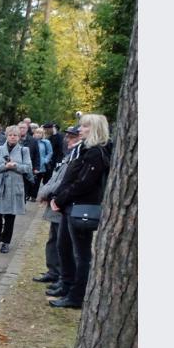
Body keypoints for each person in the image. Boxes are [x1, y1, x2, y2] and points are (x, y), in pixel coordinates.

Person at [49, 114, 112, 309]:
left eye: (84, 126)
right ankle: (67, 284)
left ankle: (76, 296)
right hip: (71, 205)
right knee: (64, 246)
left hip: (81, 207)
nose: (80, 129)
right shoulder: (86, 150)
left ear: (94, 129)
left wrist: (60, 199)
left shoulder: (96, 153)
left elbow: (84, 183)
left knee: (81, 254)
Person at [35, 126, 81, 292]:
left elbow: (62, 182)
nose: (68, 140)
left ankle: (62, 276)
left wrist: (44, 193)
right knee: (53, 239)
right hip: (56, 203)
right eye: (67, 137)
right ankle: (54, 271)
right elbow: (55, 177)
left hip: (61, 203)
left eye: (72, 137)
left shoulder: (76, 157)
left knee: (63, 243)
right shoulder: (69, 155)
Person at [0, 126, 32, 253]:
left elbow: (28, 168)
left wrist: (15, 166)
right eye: (10, 135)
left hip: (14, 187)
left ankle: (6, 242)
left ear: (19, 137)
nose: (13, 137)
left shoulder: (24, 150)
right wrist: (4, 166)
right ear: (6, 136)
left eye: (15, 135)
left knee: (10, 216)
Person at [32, 127, 53, 195]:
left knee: (37, 180)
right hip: (32, 163)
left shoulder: (46, 142)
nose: (38, 134)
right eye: (37, 133)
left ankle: (34, 195)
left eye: (40, 133)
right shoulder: (31, 141)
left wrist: (45, 160)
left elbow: (50, 152)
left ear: (42, 134)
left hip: (41, 165)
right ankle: (29, 194)